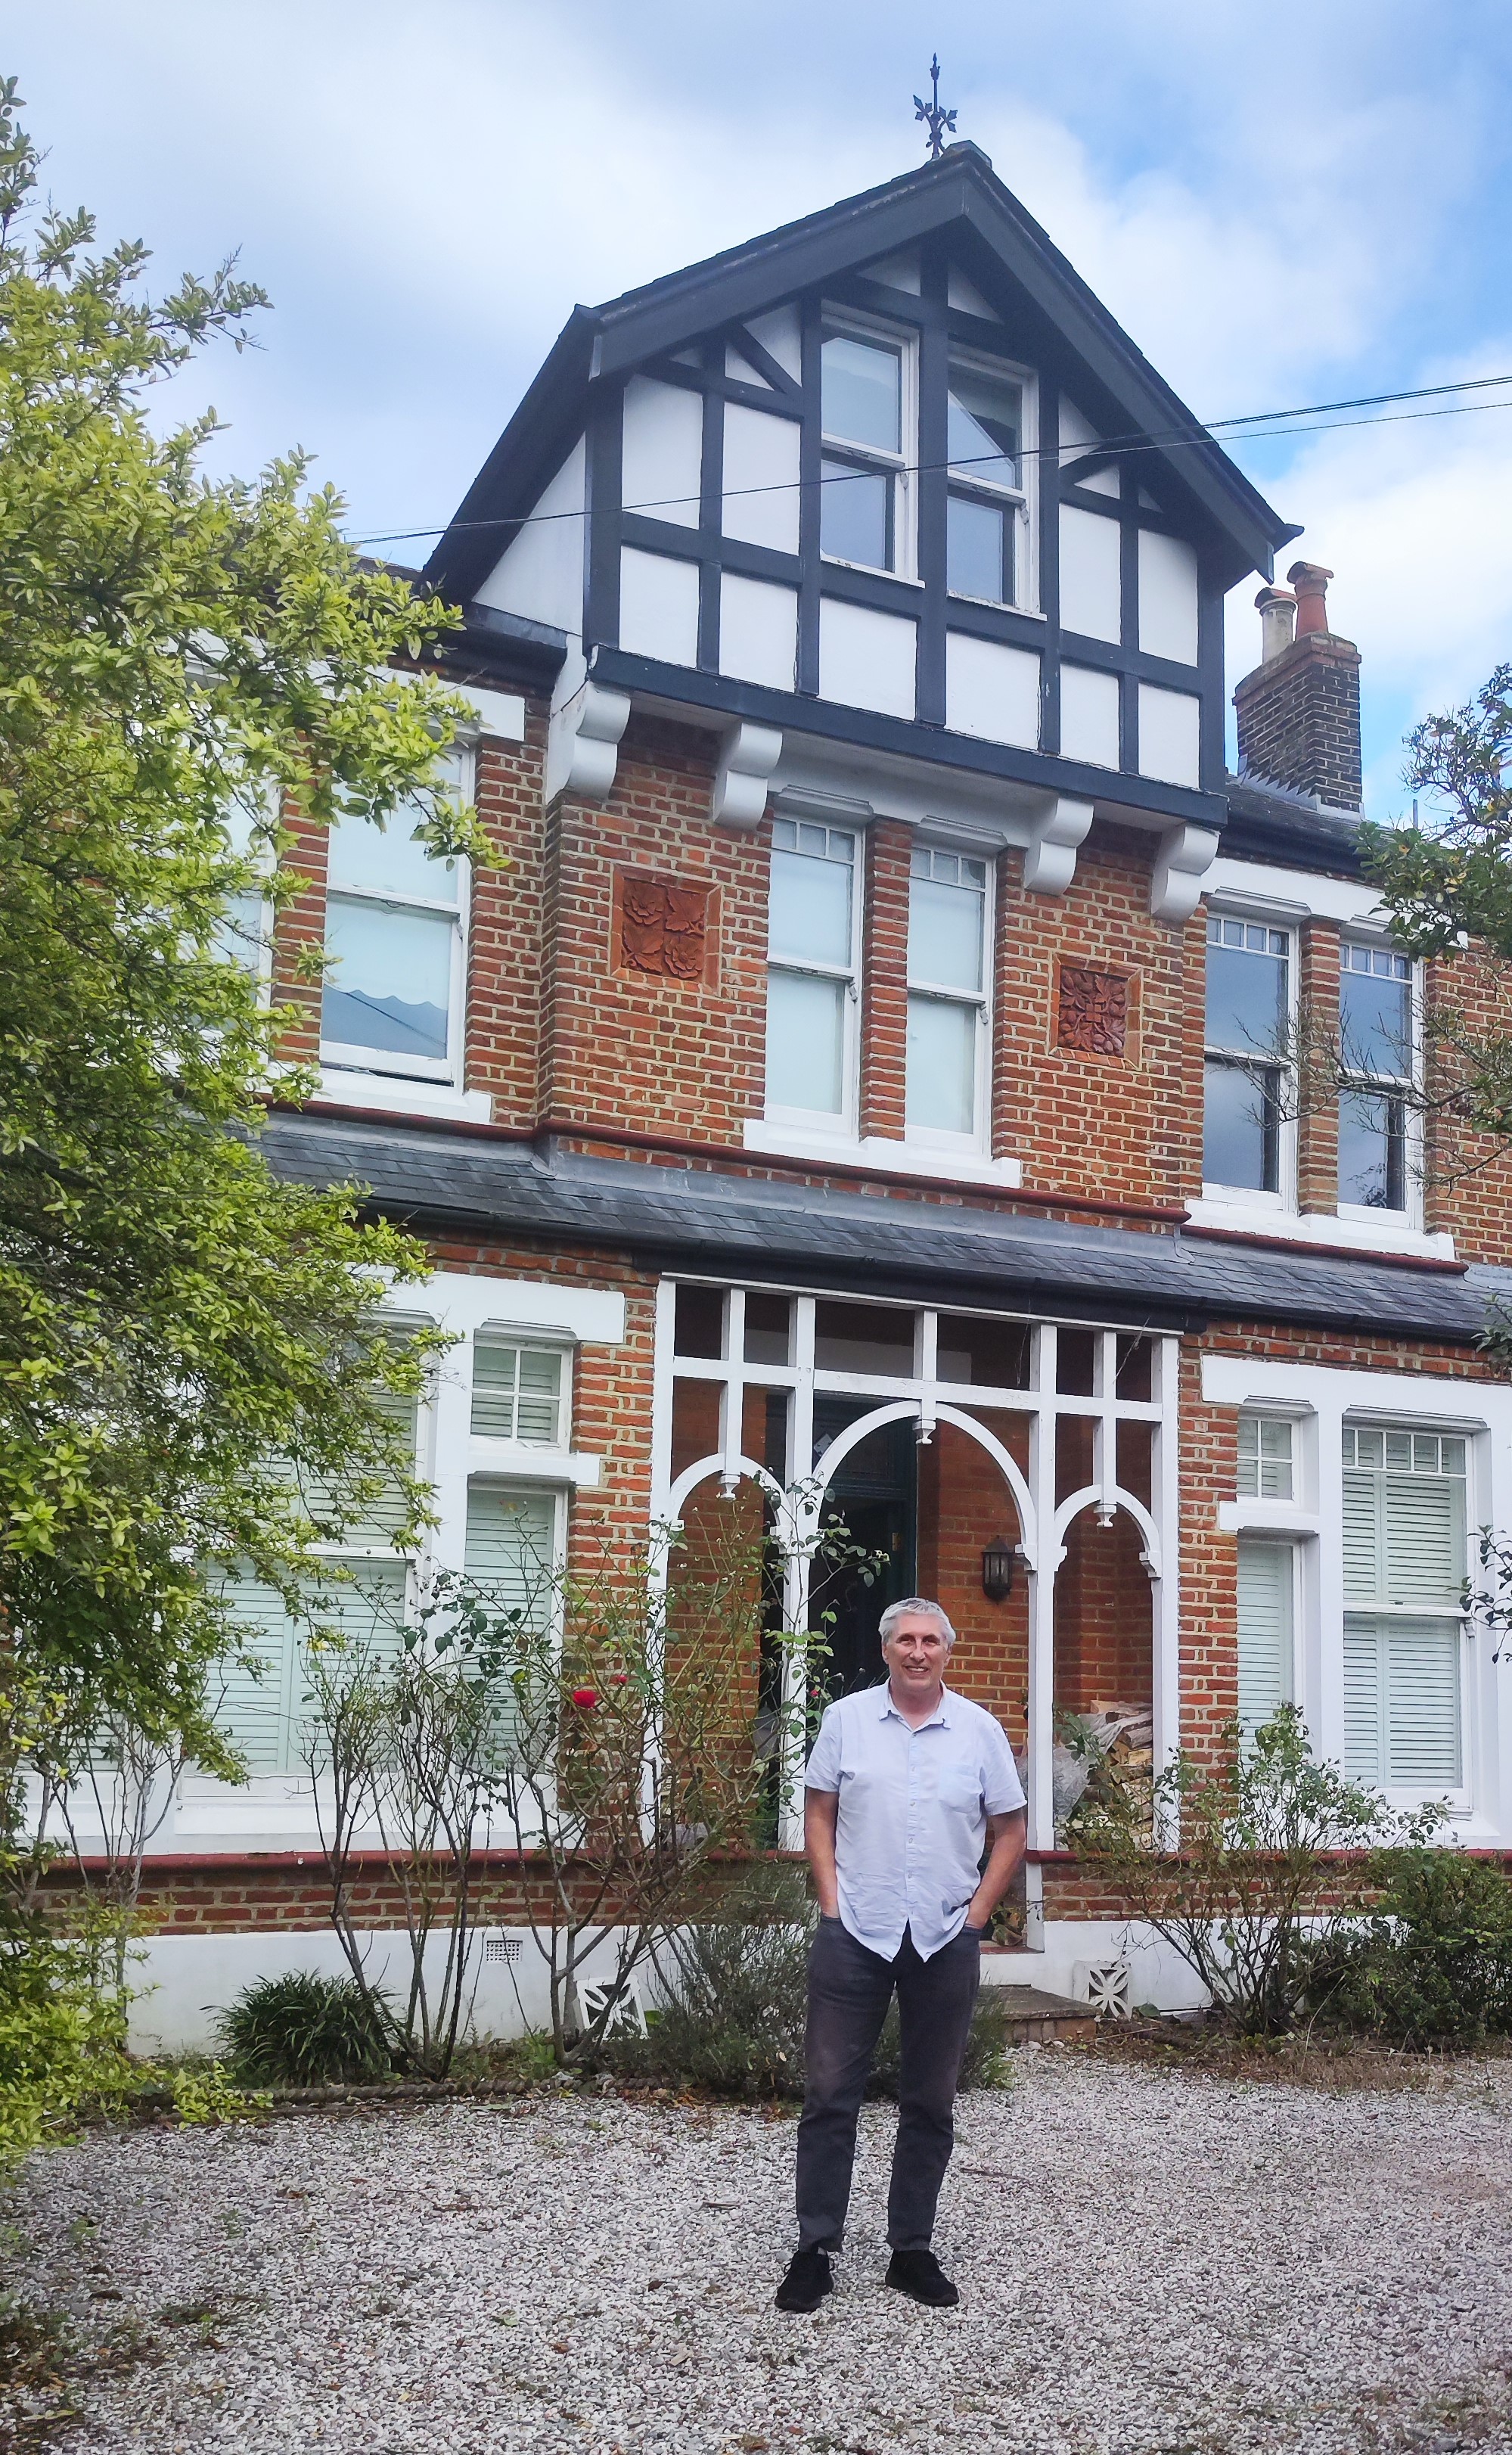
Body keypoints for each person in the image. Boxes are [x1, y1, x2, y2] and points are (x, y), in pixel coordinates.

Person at [775, 1597, 1027, 2314]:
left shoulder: (978, 1730)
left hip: (944, 1936)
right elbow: (817, 1810)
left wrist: (977, 1915)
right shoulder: (846, 1720)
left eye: (930, 1640)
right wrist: (829, 1901)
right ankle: (814, 2248)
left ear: (948, 1650)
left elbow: (1009, 1830)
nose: (917, 1651)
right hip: (856, 1928)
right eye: (904, 1640)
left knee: (930, 2099)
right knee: (828, 2096)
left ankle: (909, 2248)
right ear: (885, 1649)